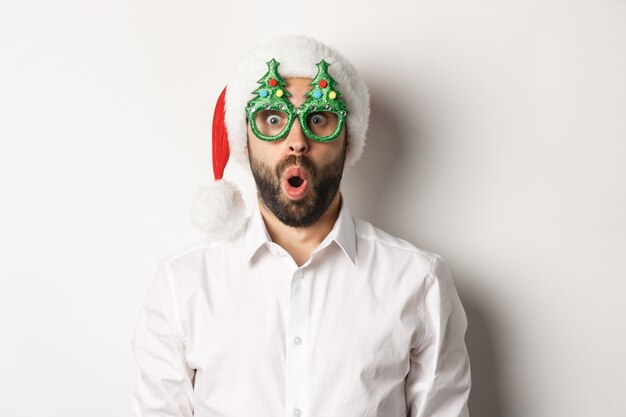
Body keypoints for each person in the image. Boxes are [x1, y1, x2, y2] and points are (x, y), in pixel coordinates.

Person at [132, 35, 471, 417]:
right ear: (244, 141)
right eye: (273, 118)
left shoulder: (419, 281)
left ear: (347, 140)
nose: (296, 141)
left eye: (318, 118)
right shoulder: (183, 285)